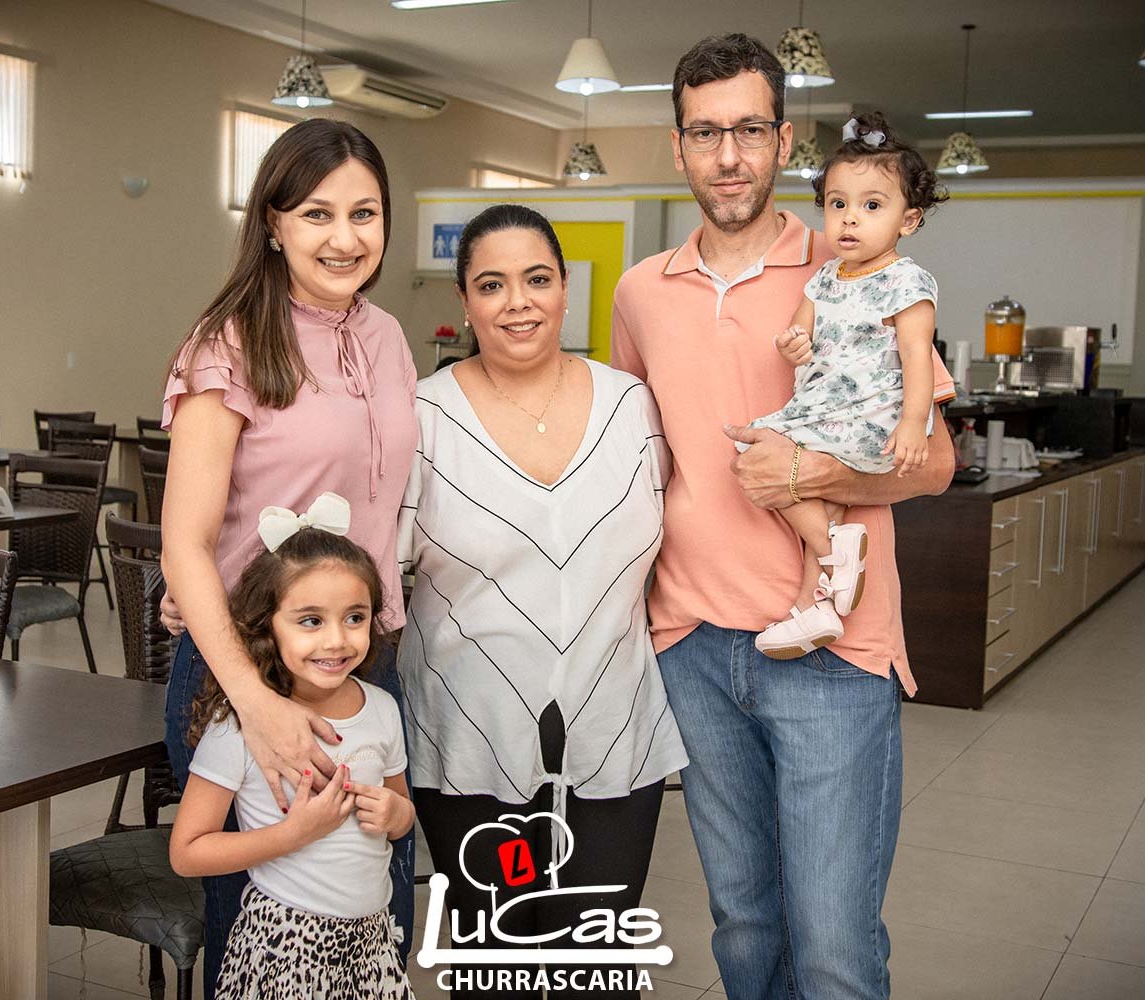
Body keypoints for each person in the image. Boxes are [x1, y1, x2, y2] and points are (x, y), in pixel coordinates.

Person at [610, 34, 956, 1000]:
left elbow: (935, 464)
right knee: (745, 928)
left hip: (833, 651)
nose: (729, 156)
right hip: (691, 645)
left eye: (750, 130)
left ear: (784, 140)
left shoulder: (854, 261)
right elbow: (640, 455)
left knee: (835, 946)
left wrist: (807, 468)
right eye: (705, 133)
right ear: (678, 145)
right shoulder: (640, 292)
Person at [397, 204, 687, 999]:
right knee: (503, 962)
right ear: (465, 302)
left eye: (537, 279)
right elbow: (370, 572)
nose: (518, 302)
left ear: (564, 288)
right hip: (471, 733)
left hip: (613, 725)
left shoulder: (634, 407)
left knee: (596, 961)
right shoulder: (422, 416)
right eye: (492, 284)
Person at [160, 118, 418, 996]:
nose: (345, 238)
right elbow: (185, 542)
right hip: (252, 665)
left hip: (365, 655)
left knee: (374, 917)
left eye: (364, 213)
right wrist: (255, 700)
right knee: (261, 936)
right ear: (273, 222)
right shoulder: (228, 340)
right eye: (317, 214)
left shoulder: (386, 336)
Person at [170, 497, 415, 999]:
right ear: (266, 626)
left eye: (355, 617)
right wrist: (293, 834)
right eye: (310, 621)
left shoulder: (383, 709)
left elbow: (403, 813)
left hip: (371, 949)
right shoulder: (239, 727)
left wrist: (396, 815)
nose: (337, 640)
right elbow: (187, 853)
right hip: (280, 953)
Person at [745, 111, 950, 658]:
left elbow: (917, 358)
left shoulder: (906, 281)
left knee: (758, 457)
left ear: (909, 220)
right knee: (817, 493)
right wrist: (793, 345)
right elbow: (800, 333)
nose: (850, 219)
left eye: (872, 206)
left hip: (871, 417)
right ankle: (817, 607)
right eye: (838, 204)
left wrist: (914, 425)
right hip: (825, 411)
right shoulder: (824, 278)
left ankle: (832, 548)